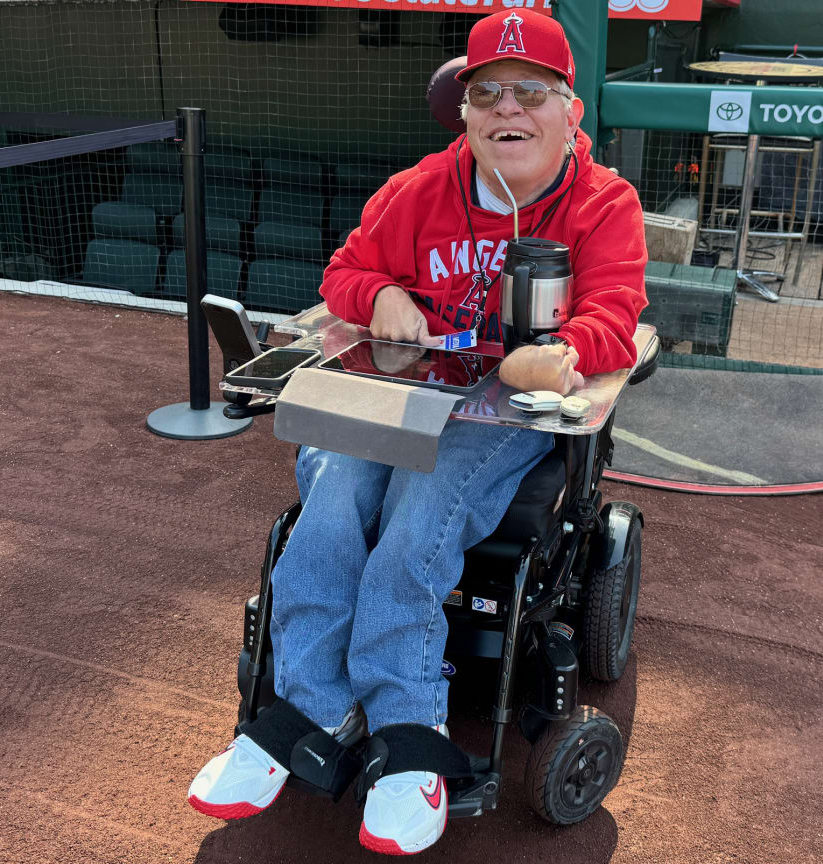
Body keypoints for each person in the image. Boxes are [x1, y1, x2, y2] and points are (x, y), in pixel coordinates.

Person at [186, 9, 647, 856]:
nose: (508, 107)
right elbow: (345, 272)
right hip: (403, 395)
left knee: (415, 516)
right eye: (487, 92)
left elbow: (617, 314)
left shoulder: (603, 202)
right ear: (465, 111)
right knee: (334, 490)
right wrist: (378, 298)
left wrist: (564, 352)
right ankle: (302, 713)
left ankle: (409, 744)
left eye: (531, 91)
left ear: (568, 109)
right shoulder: (418, 191)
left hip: (505, 416)